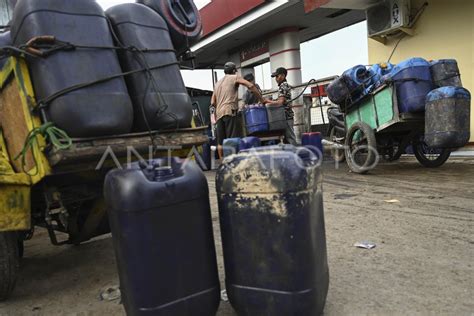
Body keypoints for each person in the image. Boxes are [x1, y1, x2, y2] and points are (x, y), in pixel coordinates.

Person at [211, 62, 264, 158]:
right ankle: (233, 161)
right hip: (229, 111)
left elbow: (213, 102)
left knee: (221, 141)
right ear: (234, 71)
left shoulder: (217, 83)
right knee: (232, 139)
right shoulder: (234, 77)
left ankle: (223, 162)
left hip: (219, 114)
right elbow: (251, 86)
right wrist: (262, 99)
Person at [264, 67, 297, 145]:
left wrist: (266, 101)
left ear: (283, 76)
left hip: (286, 116)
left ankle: (295, 155)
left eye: (277, 76)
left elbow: (280, 102)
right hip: (284, 117)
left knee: (290, 138)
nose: (276, 79)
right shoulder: (283, 86)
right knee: (286, 139)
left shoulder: (283, 86)